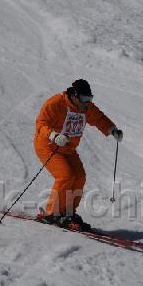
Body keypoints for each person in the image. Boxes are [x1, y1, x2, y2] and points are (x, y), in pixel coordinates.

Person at [33, 79, 123, 230]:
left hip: (68, 148)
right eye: (84, 99)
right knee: (66, 176)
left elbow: (99, 118)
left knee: (80, 177)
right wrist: (54, 136)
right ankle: (53, 214)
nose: (87, 103)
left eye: (89, 99)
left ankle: (68, 213)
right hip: (48, 146)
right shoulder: (56, 103)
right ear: (74, 95)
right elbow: (41, 124)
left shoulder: (86, 107)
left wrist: (112, 130)